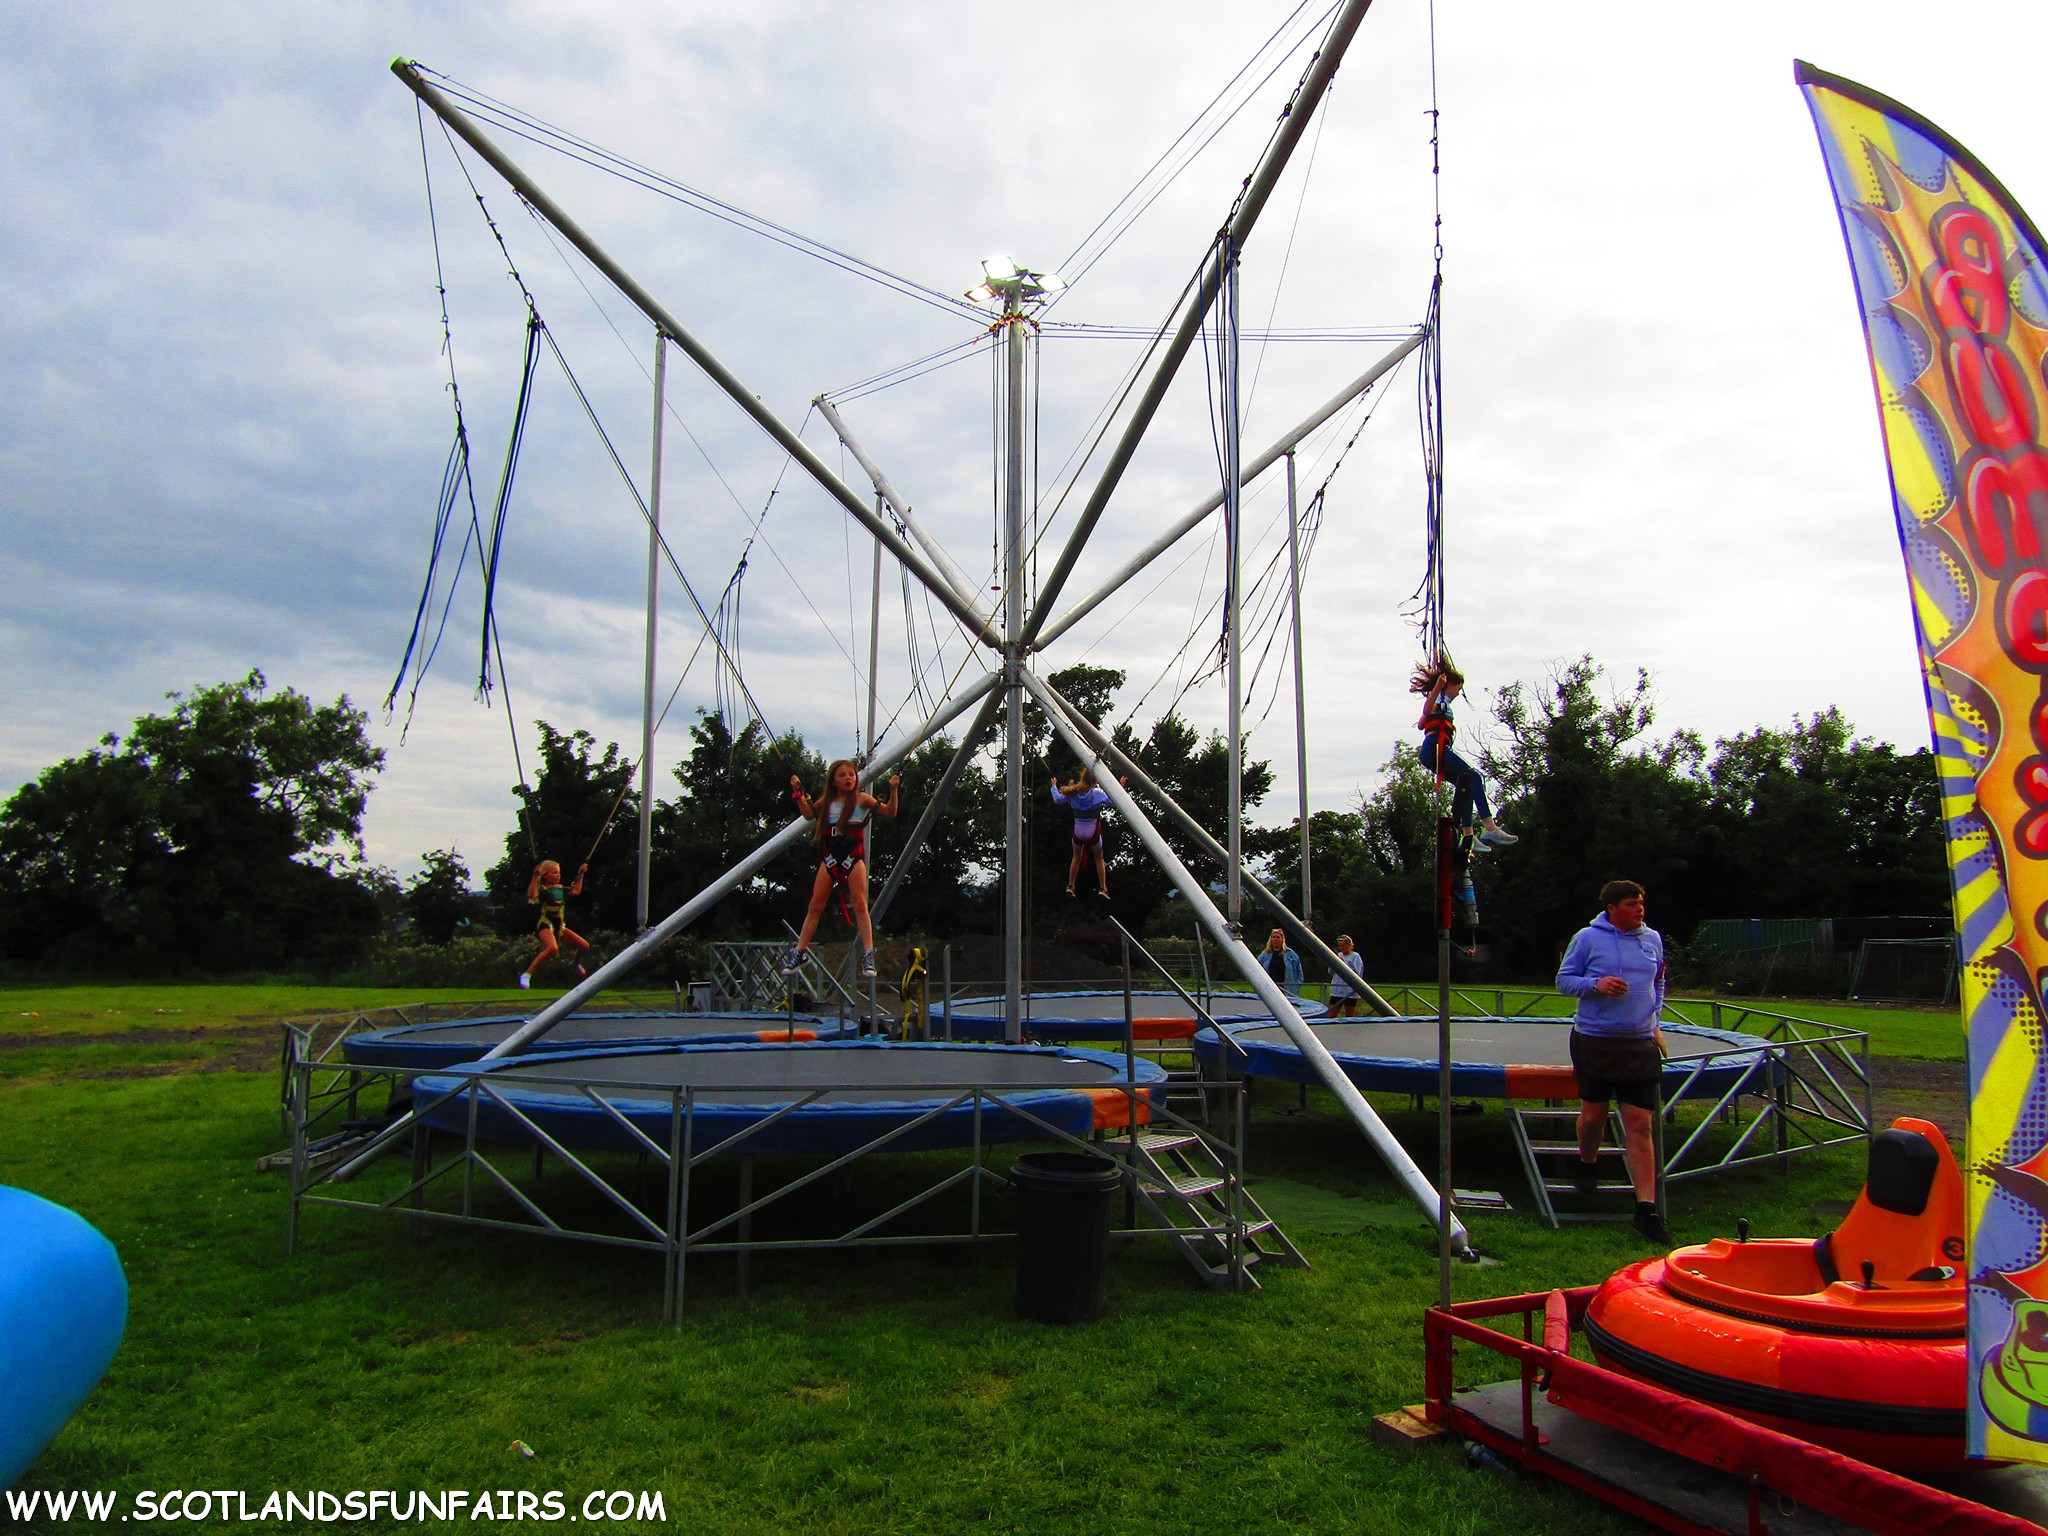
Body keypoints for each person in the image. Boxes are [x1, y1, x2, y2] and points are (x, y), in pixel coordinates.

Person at [1556, 879, 1671, 1244]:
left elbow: (1660, 983)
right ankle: (1587, 1162)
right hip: (1595, 1039)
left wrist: (1655, 1022)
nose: (1639, 909)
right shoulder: (1587, 939)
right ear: (1612, 909)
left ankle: (1646, 1210)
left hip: (1638, 1042)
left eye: (1641, 903)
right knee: (1593, 1118)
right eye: (1631, 904)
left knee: (1640, 1125)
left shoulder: (1651, 939)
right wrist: (1597, 985)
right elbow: (1563, 981)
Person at [784, 760, 901, 980]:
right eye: (843, 775)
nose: (849, 778)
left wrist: (893, 789)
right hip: (829, 858)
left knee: (859, 904)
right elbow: (809, 815)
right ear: (833, 781)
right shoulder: (826, 803)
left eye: (851, 775)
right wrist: (797, 792)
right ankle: (800, 951)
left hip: (852, 857)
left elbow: (890, 811)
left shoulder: (862, 800)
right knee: (815, 905)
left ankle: (868, 953)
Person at [1411, 655, 1516, 847]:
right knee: (1474, 776)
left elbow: (1421, 724)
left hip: (1431, 751)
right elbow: (1426, 711)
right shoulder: (1438, 700)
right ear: (1450, 685)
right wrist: (1437, 688)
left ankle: (1468, 835)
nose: (1458, 694)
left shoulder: (1443, 704)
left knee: (1466, 783)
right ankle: (1490, 827)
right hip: (1436, 748)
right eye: (1458, 689)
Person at [1050, 767, 1126, 899]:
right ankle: (1103, 888)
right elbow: (1113, 802)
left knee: (1076, 858)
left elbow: (1057, 799)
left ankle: (1071, 886)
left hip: (1078, 832)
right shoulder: (1096, 794)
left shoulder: (1073, 792)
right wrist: (1120, 786)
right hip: (1093, 833)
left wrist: (1053, 786)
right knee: (1099, 859)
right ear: (1095, 781)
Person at [521, 859, 590, 989]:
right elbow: (531, 894)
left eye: (558, 873)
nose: (558, 875)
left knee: (584, 946)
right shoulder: (542, 889)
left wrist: (581, 874)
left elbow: (575, 891)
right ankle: (527, 974)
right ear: (545, 875)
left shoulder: (561, 889)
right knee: (552, 949)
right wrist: (536, 876)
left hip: (560, 925)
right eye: (554, 873)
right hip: (546, 924)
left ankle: (575, 963)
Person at [1327, 934, 1366, 1016]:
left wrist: (1344, 964)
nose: (1341, 948)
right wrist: (1333, 963)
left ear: (1349, 945)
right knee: (1330, 1014)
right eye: (1339, 946)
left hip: (1350, 991)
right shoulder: (1338, 955)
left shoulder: (1355, 956)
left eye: (1343, 946)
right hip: (1337, 990)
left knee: (1349, 1015)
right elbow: (1331, 972)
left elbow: (1358, 974)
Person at [1257, 928, 1303, 997]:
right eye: (1273, 937)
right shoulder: (1265, 954)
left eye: (1278, 937)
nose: (1275, 939)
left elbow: (1299, 972)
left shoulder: (1291, 954)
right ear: (1271, 939)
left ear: (1282, 939)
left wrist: (1296, 986)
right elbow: (1257, 969)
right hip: (1269, 990)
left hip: (1287, 991)